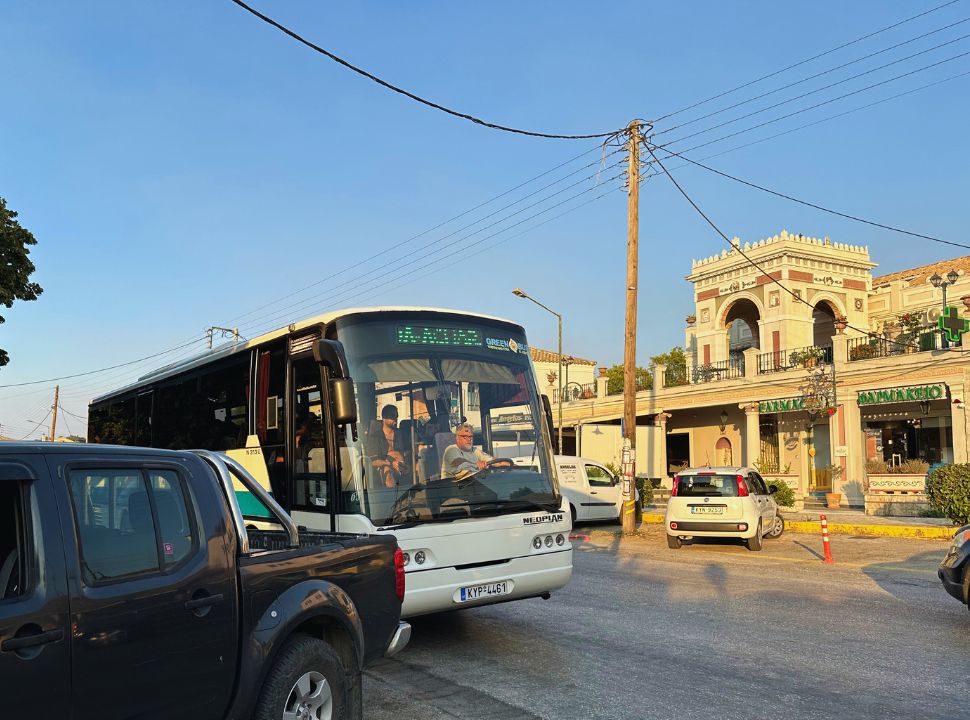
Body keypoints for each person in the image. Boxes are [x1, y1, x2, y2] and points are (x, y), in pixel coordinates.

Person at [440, 423, 509, 479]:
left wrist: (512, 464)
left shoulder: (475, 450)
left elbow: (494, 461)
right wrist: (476, 464)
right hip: (451, 490)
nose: (469, 439)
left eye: (470, 437)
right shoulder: (451, 450)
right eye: (465, 437)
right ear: (457, 438)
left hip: (472, 487)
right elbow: (460, 463)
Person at [367, 405, 409, 487]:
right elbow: (373, 461)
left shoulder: (401, 433)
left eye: (396, 416)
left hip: (403, 465)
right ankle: (393, 497)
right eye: (392, 417)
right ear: (384, 418)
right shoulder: (375, 437)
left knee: (418, 466)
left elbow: (408, 450)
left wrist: (406, 462)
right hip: (386, 466)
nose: (395, 420)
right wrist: (391, 463)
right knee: (387, 471)